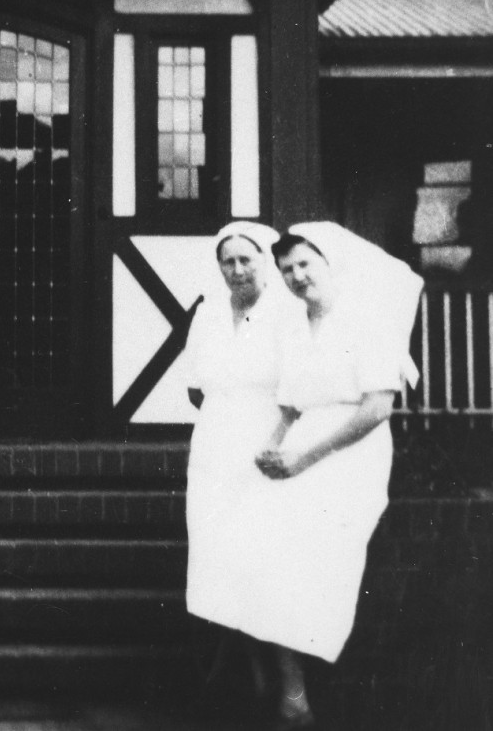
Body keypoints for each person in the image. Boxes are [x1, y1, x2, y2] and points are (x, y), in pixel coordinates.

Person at [248, 222, 423, 728]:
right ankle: (291, 685)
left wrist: (304, 459)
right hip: (302, 447)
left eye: (305, 264)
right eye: (286, 270)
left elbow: (376, 410)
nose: (297, 276)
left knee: (322, 559)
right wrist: (274, 445)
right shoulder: (295, 326)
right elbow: (290, 402)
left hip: (352, 450)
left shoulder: (367, 321)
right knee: (271, 551)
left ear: (328, 264)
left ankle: (322, 680)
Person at [184, 221, 301, 713]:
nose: (236, 270)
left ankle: (294, 690)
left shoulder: (288, 313)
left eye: (246, 259)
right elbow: (196, 385)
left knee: (268, 566)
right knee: (224, 561)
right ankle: (253, 677)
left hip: (269, 446)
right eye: (227, 261)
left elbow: (298, 391)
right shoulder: (209, 314)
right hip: (214, 449)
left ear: (268, 261)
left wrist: (271, 445)